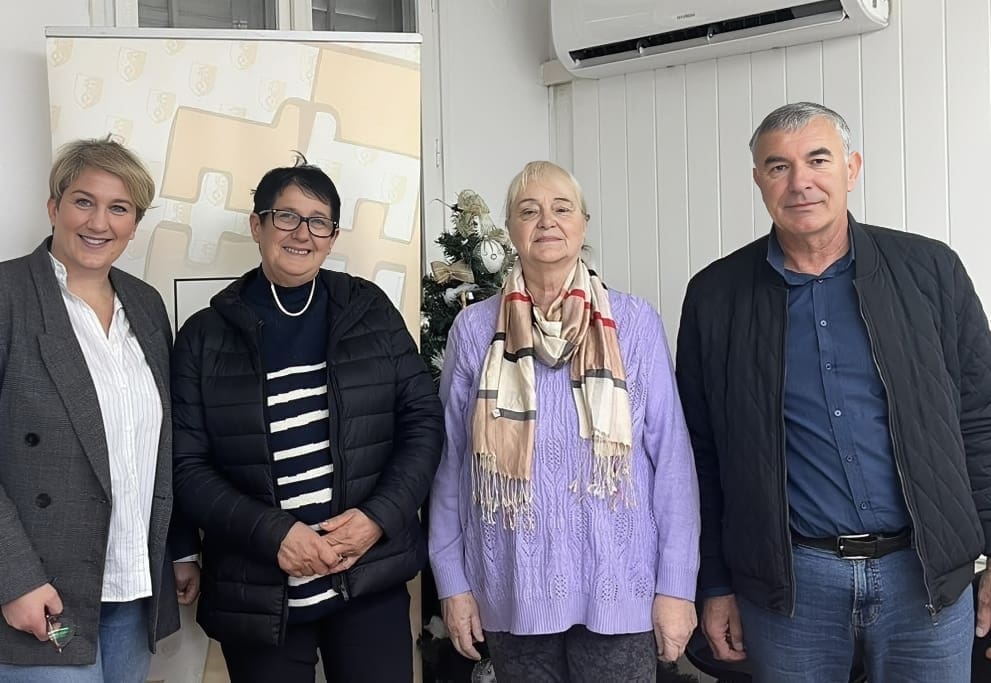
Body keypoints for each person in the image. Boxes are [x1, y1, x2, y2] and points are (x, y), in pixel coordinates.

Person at [676, 101, 991, 682]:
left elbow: (980, 419)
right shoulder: (715, 297)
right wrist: (714, 583)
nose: (800, 182)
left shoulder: (931, 271)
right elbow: (701, 453)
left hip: (925, 579)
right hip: (790, 589)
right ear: (758, 180)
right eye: (778, 166)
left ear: (852, 168)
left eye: (818, 160)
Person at [171, 158, 443, 682]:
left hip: (368, 577)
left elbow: (422, 421)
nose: (302, 233)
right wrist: (274, 534)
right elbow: (187, 466)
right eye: (286, 217)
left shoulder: (369, 309)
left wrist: (378, 518)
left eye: (319, 221)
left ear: (333, 236)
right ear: (257, 225)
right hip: (256, 593)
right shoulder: (203, 336)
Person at [429, 160, 700, 682]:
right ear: (511, 229)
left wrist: (676, 588)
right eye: (529, 211)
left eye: (561, 208)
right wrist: (452, 583)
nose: (546, 221)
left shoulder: (635, 323)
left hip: (619, 589)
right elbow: (450, 465)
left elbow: (672, 464)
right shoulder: (473, 329)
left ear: (583, 224)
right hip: (512, 589)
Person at [0, 138, 200, 681]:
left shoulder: (146, 304)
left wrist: (178, 550)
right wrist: (14, 578)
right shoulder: (8, 295)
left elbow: (159, 446)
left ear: (135, 225)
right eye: (83, 201)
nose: (99, 222)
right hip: (43, 591)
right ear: (54, 207)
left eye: (119, 208)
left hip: (134, 586)